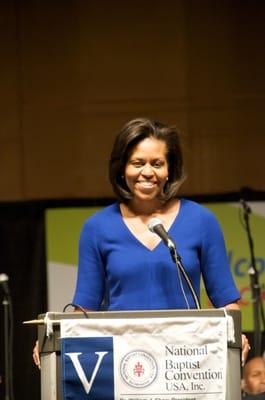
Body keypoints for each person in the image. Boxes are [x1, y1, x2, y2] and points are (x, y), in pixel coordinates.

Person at [33, 117, 249, 366]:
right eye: (138, 163)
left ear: (170, 170)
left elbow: (226, 301)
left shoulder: (201, 220)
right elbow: (85, 309)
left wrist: (235, 336)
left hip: (188, 361)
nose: (148, 172)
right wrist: (58, 339)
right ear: (122, 168)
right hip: (123, 361)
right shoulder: (97, 228)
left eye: (157, 163)